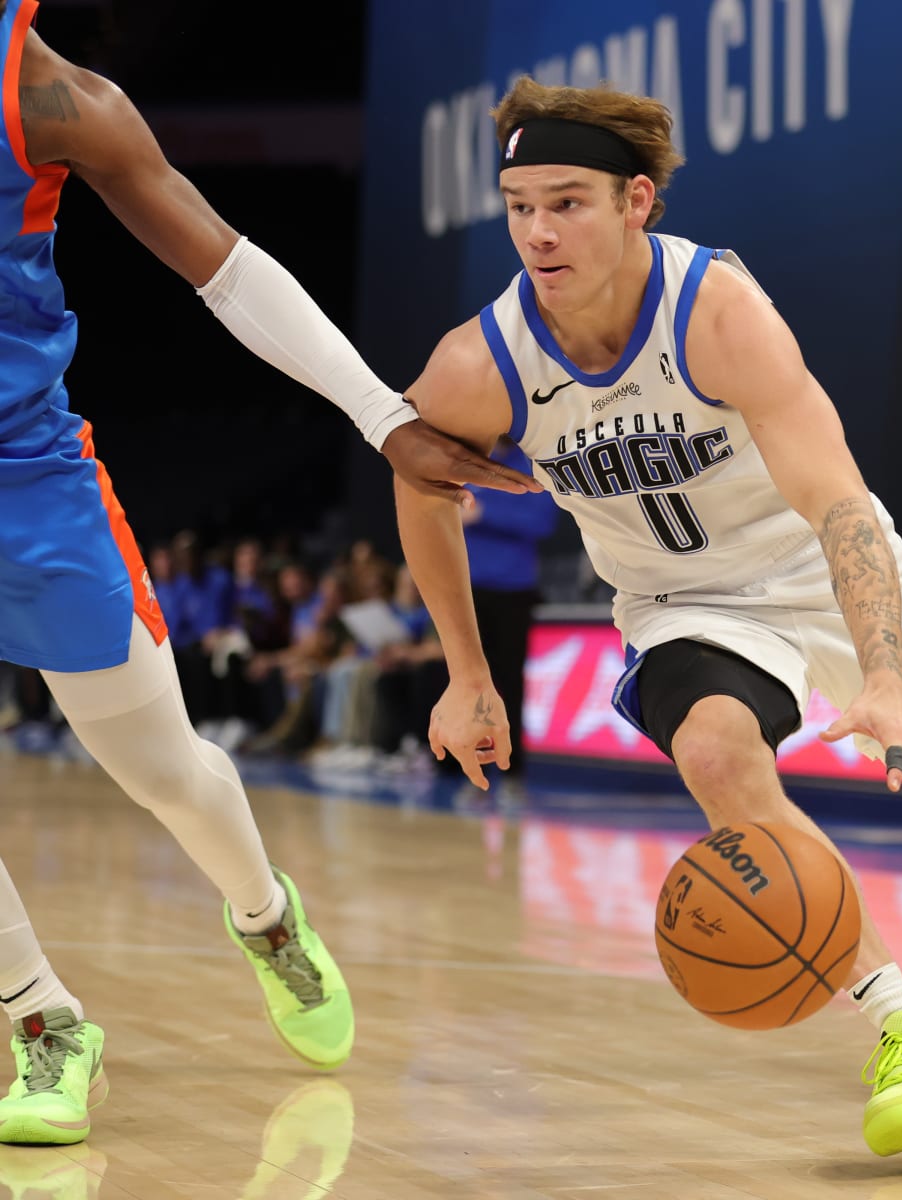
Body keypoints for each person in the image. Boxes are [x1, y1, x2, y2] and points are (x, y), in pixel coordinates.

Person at [393, 78, 902, 1158]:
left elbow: (838, 504)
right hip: (684, 605)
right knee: (715, 752)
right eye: (519, 207)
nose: (538, 233)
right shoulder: (484, 361)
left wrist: (881, 674)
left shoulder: (716, 313)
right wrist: (467, 674)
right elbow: (420, 483)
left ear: (636, 200)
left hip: (816, 566)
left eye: (568, 203)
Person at [0, 2, 539, 1145]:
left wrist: (383, 416)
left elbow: (229, 269)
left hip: (26, 486)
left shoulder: (52, 97)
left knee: (164, 770)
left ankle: (265, 915)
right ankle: (43, 1021)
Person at [460, 437, 562, 779]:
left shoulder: (531, 466)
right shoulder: (468, 463)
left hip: (512, 589)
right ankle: (468, 765)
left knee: (509, 680)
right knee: (466, 680)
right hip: (468, 589)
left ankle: (512, 770)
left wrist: (484, 514)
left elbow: (542, 522)